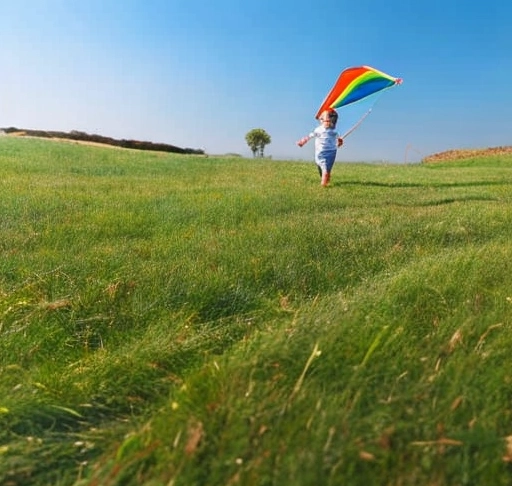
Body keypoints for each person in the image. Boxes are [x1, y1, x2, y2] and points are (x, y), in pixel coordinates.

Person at [296, 109, 343, 187]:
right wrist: (302, 142)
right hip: (322, 152)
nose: (321, 120)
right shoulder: (319, 130)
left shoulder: (334, 131)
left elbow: (339, 141)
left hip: (331, 153)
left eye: (322, 119)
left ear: (330, 121)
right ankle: (326, 179)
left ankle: (323, 185)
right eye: (321, 119)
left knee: (326, 169)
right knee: (324, 168)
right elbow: (310, 136)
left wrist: (340, 142)